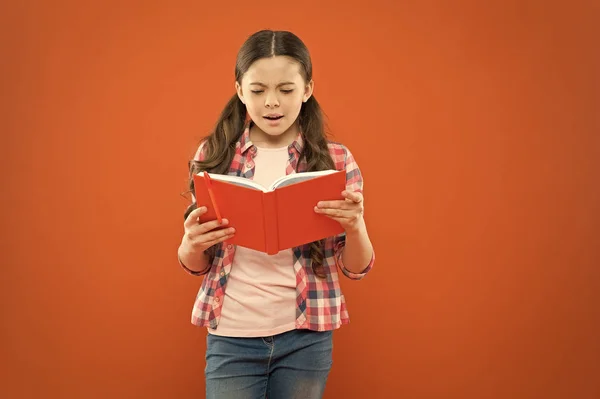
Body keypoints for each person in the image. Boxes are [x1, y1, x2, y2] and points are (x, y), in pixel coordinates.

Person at [177, 29, 375, 399]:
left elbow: (356, 267)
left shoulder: (336, 161)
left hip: (306, 338)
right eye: (258, 90)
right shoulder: (216, 155)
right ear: (239, 91)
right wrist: (190, 242)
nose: (272, 103)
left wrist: (356, 226)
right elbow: (195, 264)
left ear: (307, 89)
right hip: (232, 335)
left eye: (286, 90)